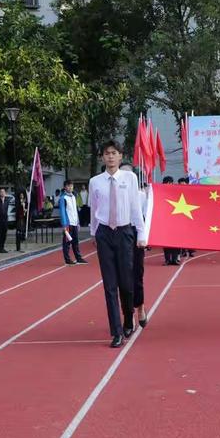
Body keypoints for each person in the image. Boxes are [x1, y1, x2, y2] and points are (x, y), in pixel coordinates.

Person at [89, 141, 146, 348]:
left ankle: (128, 317)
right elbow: (94, 210)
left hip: (125, 232)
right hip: (104, 233)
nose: (110, 157)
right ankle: (116, 331)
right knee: (109, 284)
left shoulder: (129, 178)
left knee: (126, 282)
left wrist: (141, 234)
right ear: (102, 157)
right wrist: (94, 233)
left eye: (114, 153)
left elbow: (135, 207)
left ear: (121, 156)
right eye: (106, 154)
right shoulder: (95, 182)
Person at [120, 163, 148, 329]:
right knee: (122, 278)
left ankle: (141, 306)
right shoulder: (112, 194)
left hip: (136, 234)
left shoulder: (141, 195)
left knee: (137, 274)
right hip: (119, 235)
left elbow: (146, 215)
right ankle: (127, 313)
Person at [59, 180, 88, 266]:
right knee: (67, 243)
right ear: (65, 187)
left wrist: (78, 222)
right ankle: (67, 260)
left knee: (76, 241)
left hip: (74, 222)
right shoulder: (63, 198)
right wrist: (64, 224)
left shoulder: (74, 196)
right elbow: (63, 212)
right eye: (68, 186)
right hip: (68, 223)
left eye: (71, 186)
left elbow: (75, 210)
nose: (70, 187)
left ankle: (78, 258)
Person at [162, 176, 181, 265]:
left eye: (171, 182)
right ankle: (167, 260)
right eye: (169, 182)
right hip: (165, 222)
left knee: (176, 241)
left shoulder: (176, 192)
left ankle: (175, 259)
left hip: (175, 221)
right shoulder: (160, 192)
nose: (170, 184)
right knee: (166, 242)